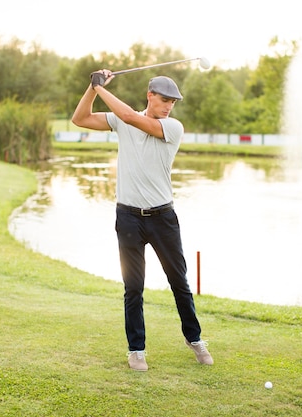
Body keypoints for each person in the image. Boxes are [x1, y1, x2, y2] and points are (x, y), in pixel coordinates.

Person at [71, 69, 213, 371]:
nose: (168, 106)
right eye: (164, 100)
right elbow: (80, 119)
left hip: (163, 217)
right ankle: (136, 349)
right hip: (128, 218)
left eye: (172, 102)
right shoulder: (122, 120)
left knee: (180, 282)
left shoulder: (172, 127)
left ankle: (194, 338)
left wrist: (102, 88)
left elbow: (132, 119)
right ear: (150, 95)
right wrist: (91, 88)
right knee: (133, 286)